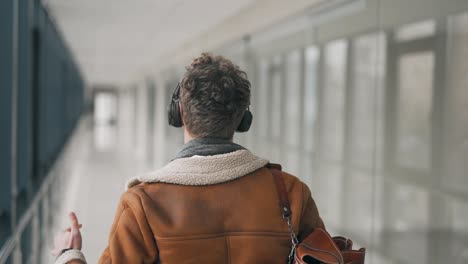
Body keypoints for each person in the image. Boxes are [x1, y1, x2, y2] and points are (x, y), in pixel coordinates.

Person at [52, 53, 325, 264]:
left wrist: (69, 254)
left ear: (179, 113)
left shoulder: (143, 204)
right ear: (243, 119)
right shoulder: (291, 193)